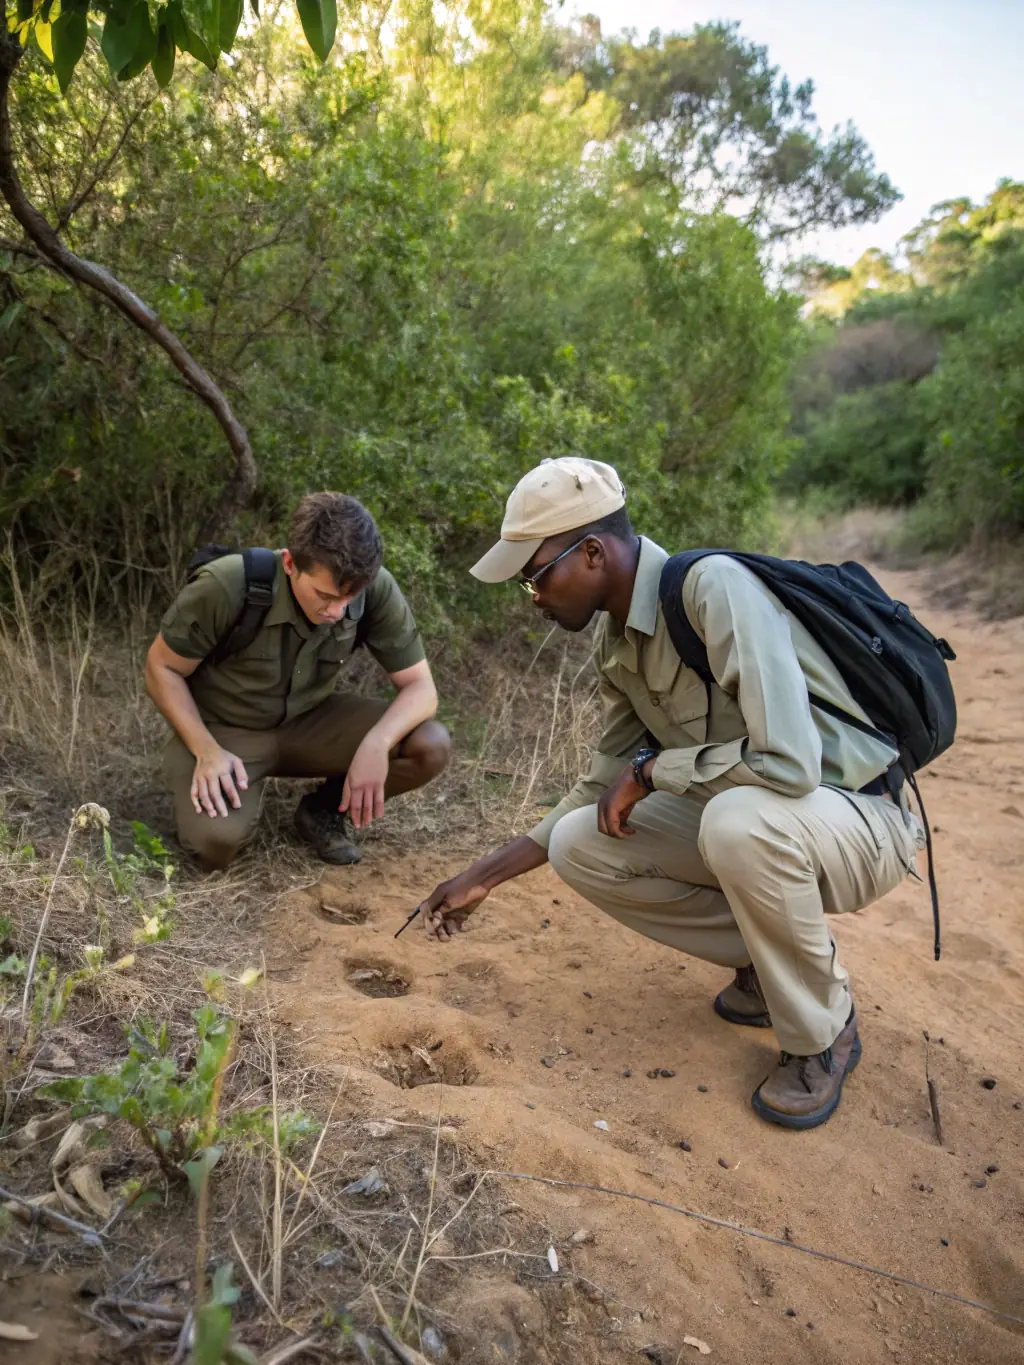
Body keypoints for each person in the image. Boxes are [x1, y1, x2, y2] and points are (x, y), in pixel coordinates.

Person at [415, 457, 920, 1130]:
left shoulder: (714, 589)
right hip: (774, 823)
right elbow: (602, 784)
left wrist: (655, 772)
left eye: (536, 575)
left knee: (736, 822)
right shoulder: (618, 644)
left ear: (592, 551)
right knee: (580, 841)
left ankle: (823, 1032)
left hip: (862, 819)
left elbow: (791, 764)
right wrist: (484, 875)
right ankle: (768, 969)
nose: (532, 597)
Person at [146, 491, 450, 870]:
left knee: (429, 744)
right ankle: (207, 779)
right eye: (324, 595)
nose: (337, 611)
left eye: (349, 597)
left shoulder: (374, 588)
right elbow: (162, 668)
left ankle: (322, 809)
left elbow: (422, 688)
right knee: (214, 845)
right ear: (290, 564)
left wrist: (377, 743)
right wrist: (205, 749)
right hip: (225, 730)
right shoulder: (227, 584)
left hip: (309, 721)